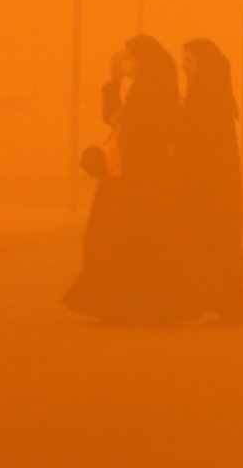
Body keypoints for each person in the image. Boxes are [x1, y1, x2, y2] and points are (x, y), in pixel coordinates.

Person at [64, 34, 212, 326]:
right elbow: (113, 118)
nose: (126, 62)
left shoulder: (152, 94)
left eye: (130, 57)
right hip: (128, 180)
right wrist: (114, 82)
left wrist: (109, 158)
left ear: (144, 61)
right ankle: (125, 305)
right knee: (125, 243)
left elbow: (138, 136)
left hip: (138, 183)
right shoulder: (142, 91)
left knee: (130, 242)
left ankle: (140, 305)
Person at [178, 39, 243, 325]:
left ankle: (231, 307)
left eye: (189, 59)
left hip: (209, 189)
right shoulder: (214, 94)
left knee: (214, 245)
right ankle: (231, 306)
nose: (184, 65)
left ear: (204, 64)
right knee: (221, 246)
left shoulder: (205, 97)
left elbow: (197, 144)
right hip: (217, 187)